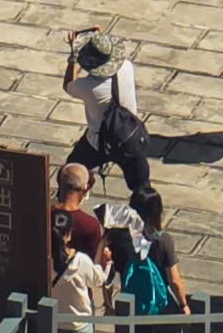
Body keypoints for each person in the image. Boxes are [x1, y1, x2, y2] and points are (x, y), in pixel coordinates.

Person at [64, 32, 155, 215]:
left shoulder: (87, 87)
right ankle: (149, 219)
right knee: (142, 187)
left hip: (97, 144)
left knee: (70, 172)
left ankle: (71, 205)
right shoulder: (127, 68)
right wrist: (99, 36)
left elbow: (68, 84)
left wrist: (72, 58)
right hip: (130, 140)